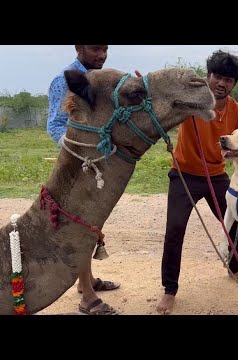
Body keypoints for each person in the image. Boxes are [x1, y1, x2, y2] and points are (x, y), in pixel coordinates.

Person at [156, 50, 238, 315]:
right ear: (208, 76)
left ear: (233, 84)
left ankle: (234, 269)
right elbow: (164, 108)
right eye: (217, 76)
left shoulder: (237, 113)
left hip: (217, 175)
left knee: (234, 223)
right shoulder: (190, 102)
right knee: (174, 231)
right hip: (183, 175)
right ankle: (169, 290)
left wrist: (235, 154)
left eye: (228, 80)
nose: (221, 83)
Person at [47, 45, 120, 315]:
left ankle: (86, 282)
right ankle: (88, 297)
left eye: (105, 49)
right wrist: (81, 151)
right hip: (78, 165)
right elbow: (54, 125)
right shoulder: (64, 81)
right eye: (94, 49)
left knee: (91, 224)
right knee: (81, 226)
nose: (101, 55)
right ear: (78, 48)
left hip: (97, 163)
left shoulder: (103, 79)